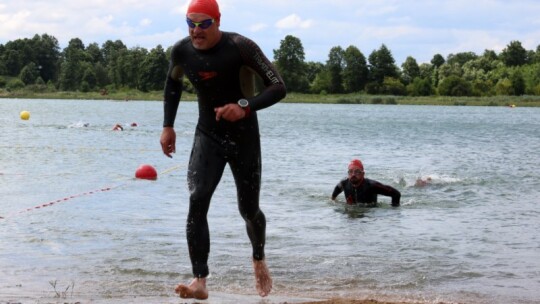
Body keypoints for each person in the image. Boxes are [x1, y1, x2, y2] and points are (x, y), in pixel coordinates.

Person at [159, 0, 286, 300]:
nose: (196, 30)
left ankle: (258, 258)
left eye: (204, 24)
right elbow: (172, 84)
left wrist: (244, 106)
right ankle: (199, 280)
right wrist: (168, 125)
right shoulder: (181, 51)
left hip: (244, 137)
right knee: (197, 198)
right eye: (191, 23)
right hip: (208, 135)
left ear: (217, 21)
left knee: (248, 209)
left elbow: (278, 86)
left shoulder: (241, 47)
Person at [331, 159, 401, 207]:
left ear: (363, 174)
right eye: (350, 171)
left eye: (357, 171)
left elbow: (396, 194)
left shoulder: (372, 186)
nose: (353, 174)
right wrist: (333, 200)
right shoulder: (344, 183)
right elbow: (335, 193)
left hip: (368, 216)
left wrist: (394, 210)